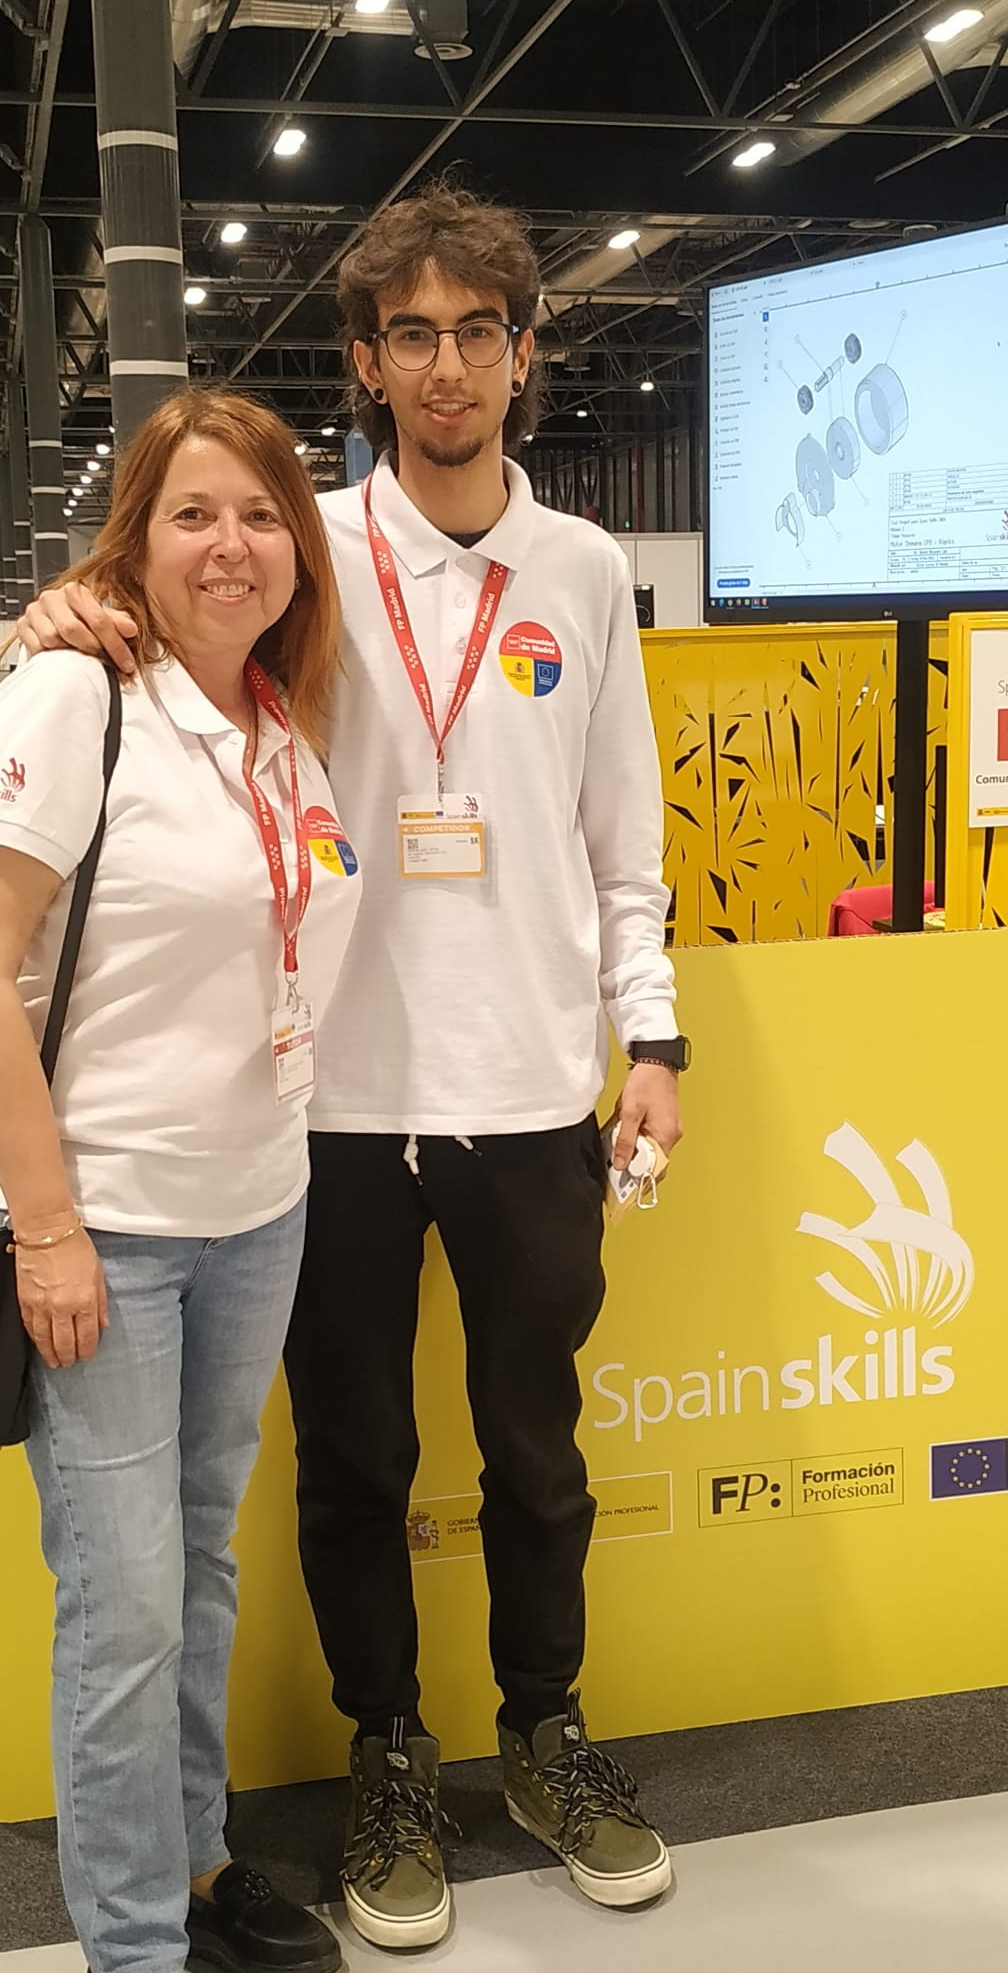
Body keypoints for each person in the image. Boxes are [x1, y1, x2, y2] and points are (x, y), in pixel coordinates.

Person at [16, 181, 689, 1954]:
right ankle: (388, 1752)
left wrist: (652, 1031)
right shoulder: (292, 546)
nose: (446, 366)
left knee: (536, 1449)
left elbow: (624, 836)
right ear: (366, 362)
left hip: (531, 1094)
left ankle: (542, 1730)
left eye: (478, 333)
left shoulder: (580, 573)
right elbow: (129, 640)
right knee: (354, 1468)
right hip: (324, 1112)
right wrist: (49, 619)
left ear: (524, 355)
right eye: (412, 335)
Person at [2, 388, 360, 1973]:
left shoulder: (281, 721)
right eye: (194, 514)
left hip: (259, 1209)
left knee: (200, 1559)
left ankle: (200, 1864)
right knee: (124, 1607)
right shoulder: (76, 697)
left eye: (263, 514)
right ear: (133, 540)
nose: (232, 546)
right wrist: (48, 1229)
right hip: (110, 1228)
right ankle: (134, 1945)